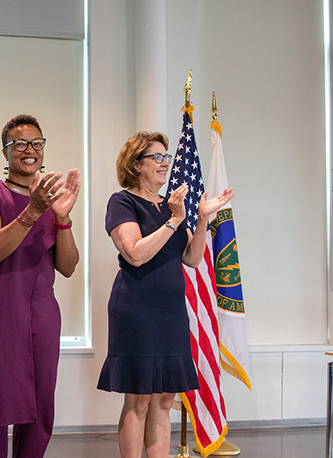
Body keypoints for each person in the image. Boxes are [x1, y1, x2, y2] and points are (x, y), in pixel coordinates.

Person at [96, 131, 233, 458]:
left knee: (163, 398)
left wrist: (200, 218)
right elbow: (135, 254)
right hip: (137, 310)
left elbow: (192, 258)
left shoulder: (172, 204)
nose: (164, 163)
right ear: (135, 165)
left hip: (170, 312)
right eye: (156, 157)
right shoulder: (123, 201)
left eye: (166, 157)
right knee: (139, 398)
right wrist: (173, 220)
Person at [0, 114, 80, 457]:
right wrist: (32, 211)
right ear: (5, 152)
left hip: (41, 312)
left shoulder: (52, 200)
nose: (30, 150)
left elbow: (69, 266)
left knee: (40, 408)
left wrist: (62, 218)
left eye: (37, 143)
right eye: (20, 144)